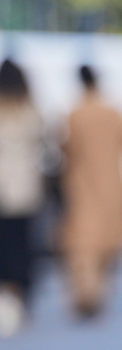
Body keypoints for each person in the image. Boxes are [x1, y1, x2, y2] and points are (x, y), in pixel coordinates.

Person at [60, 65, 122, 318]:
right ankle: (96, 293)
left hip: (84, 186)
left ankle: (87, 293)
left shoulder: (76, 113)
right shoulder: (113, 111)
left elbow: (67, 147)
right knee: (108, 245)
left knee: (84, 246)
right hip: (113, 185)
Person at [0, 59, 46, 335]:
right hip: (25, 189)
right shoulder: (31, 109)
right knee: (22, 244)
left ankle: (6, 292)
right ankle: (20, 295)